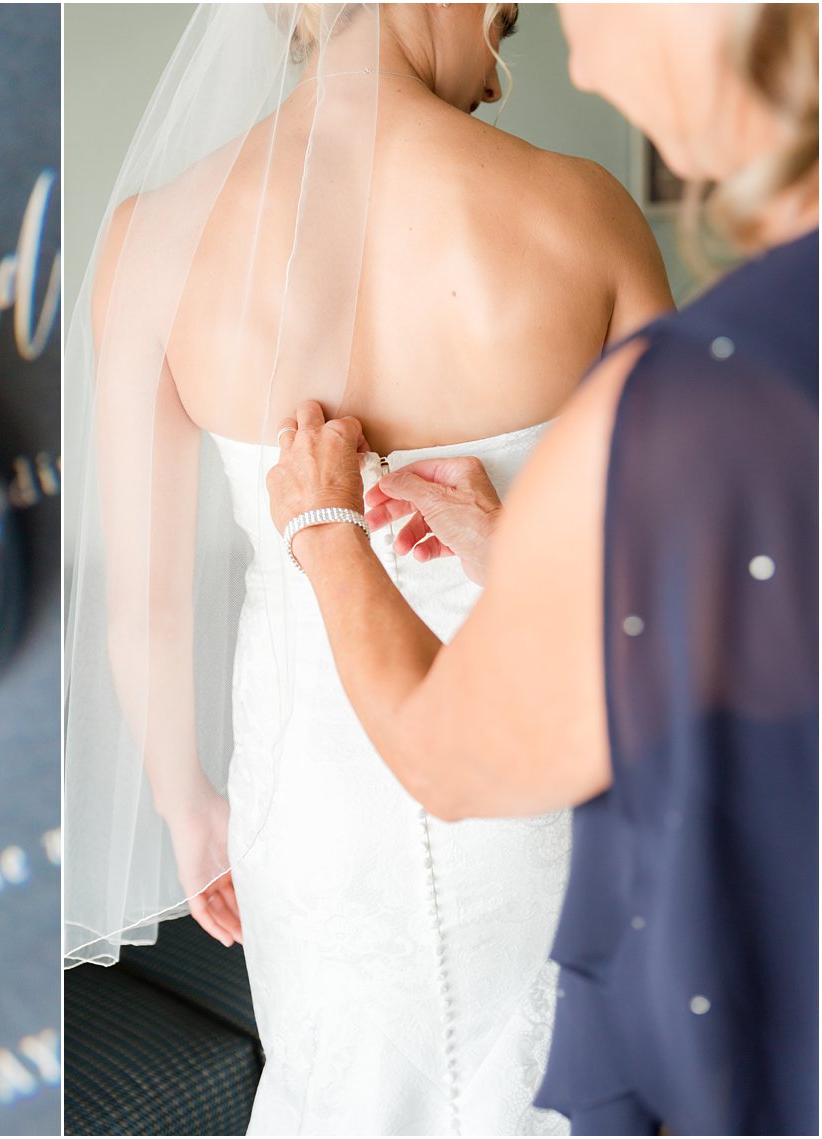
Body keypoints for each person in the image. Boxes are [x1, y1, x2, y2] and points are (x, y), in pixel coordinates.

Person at [64, 4, 671, 1133]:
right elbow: (663, 589)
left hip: (306, 799)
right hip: (536, 772)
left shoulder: (154, 238)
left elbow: (138, 604)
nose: (492, 79)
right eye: (503, 23)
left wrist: (187, 804)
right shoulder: (583, 212)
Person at [266, 4, 817, 1134]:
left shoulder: (688, 393)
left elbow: (449, 763)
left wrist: (322, 528)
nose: (566, 49)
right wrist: (521, 551)